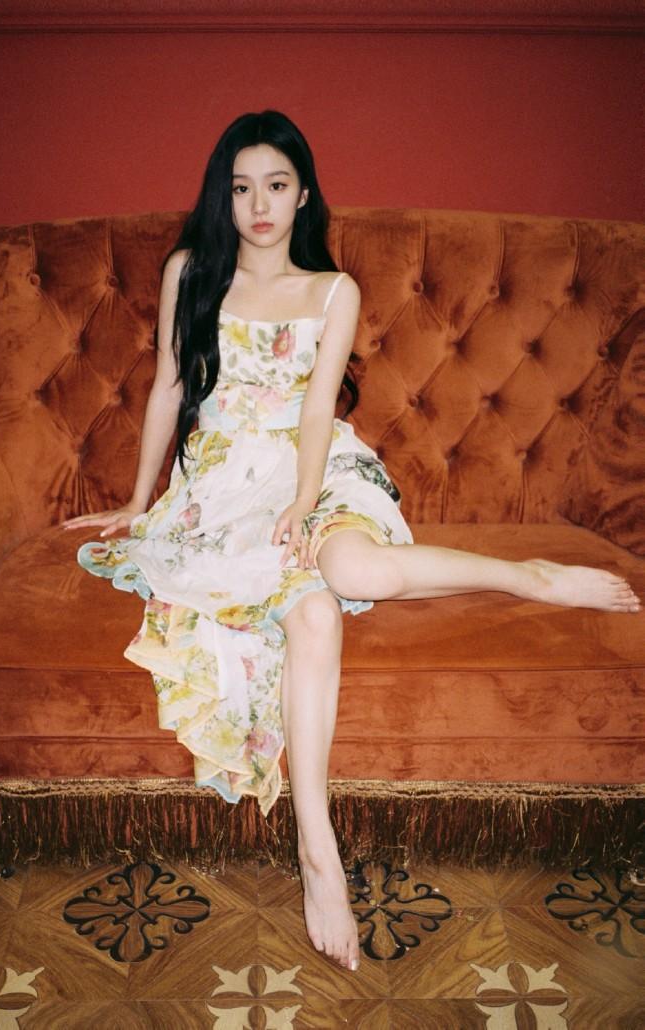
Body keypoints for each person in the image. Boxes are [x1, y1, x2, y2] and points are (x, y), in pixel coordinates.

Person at [62, 109, 641, 974]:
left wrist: (302, 504)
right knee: (316, 613)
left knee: (357, 566)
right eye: (243, 187)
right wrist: (139, 503)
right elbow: (170, 389)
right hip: (220, 483)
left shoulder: (334, 292)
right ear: (225, 197)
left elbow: (313, 413)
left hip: (315, 467)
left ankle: (530, 576)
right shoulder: (191, 271)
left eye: (277, 185)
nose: (260, 205)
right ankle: (318, 852)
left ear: (303, 195)